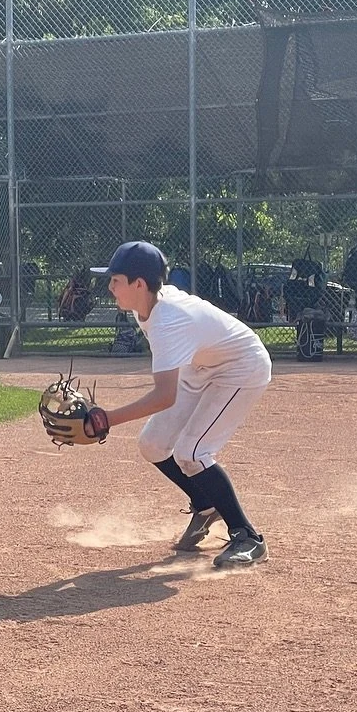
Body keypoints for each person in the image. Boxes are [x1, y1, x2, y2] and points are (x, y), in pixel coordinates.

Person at [86, 241, 273, 568]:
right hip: (202, 367)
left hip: (241, 367)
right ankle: (204, 504)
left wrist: (106, 419)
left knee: (192, 452)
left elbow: (164, 396)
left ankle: (247, 537)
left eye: (115, 279)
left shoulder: (167, 321)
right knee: (153, 443)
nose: (110, 286)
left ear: (138, 284)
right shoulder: (146, 305)